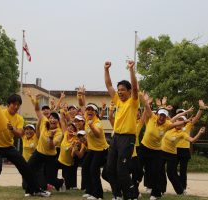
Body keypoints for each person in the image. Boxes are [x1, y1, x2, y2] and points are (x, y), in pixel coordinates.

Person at [0, 94, 46, 200]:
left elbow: (19, 133)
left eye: (18, 105)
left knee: (25, 167)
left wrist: (12, 128)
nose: (16, 107)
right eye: (14, 104)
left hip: (9, 146)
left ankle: (36, 190)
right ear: (9, 104)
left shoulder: (19, 118)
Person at [139, 92, 189, 200]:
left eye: (164, 116)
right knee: (138, 169)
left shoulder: (167, 124)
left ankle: (155, 194)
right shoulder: (152, 118)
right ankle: (134, 190)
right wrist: (144, 98)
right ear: (157, 115)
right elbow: (146, 106)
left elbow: (176, 122)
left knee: (156, 172)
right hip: (144, 147)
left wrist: (187, 121)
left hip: (156, 151)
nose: (162, 117)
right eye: (160, 115)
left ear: (166, 117)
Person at [104, 60, 139, 200]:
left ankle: (131, 195)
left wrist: (131, 69)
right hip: (116, 138)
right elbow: (108, 85)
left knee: (122, 169)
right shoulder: (118, 101)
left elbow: (135, 88)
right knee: (110, 169)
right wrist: (106, 69)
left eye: (123, 89)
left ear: (129, 91)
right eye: (119, 90)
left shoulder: (133, 102)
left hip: (127, 139)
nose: (119, 92)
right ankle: (117, 195)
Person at [160, 119, 206, 195]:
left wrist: (199, 133)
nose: (178, 123)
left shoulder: (182, 133)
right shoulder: (169, 127)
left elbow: (192, 140)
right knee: (159, 171)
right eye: (178, 121)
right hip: (162, 152)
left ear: (183, 125)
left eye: (181, 122)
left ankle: (180, 191)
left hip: (172, 154)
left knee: (171, 174)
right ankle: (160, 190)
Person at [81, 103, 109, 200]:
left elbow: (97, 134)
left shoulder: (97, 123)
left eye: (92, 110)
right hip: (92, 149)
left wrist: (91, 125)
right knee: (85, 166)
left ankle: (98, 195)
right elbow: (82, 105)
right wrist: (81, 95)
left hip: (101, 150)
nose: (89, 111)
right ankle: (89, 190)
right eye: (88, 109)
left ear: (95, 113)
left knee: (93, 169)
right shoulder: (87, 117)